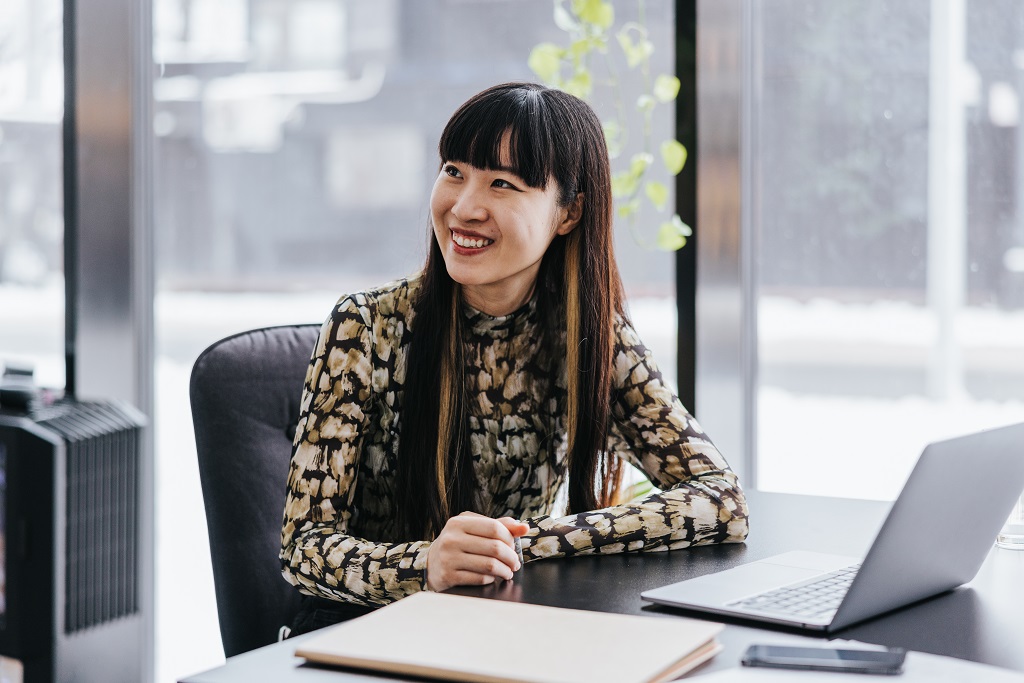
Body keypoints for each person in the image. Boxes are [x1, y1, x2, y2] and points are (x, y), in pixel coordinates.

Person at [280, 82, 749, 635]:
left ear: (568, 213)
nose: (464, 206)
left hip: (504, 623)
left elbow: (721, 500)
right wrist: (424, 564)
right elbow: (302, 549)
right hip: (365, 629)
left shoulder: (593, 337)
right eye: (454, 171)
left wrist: (529, 543)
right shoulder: (365, 327)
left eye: (502, 183)